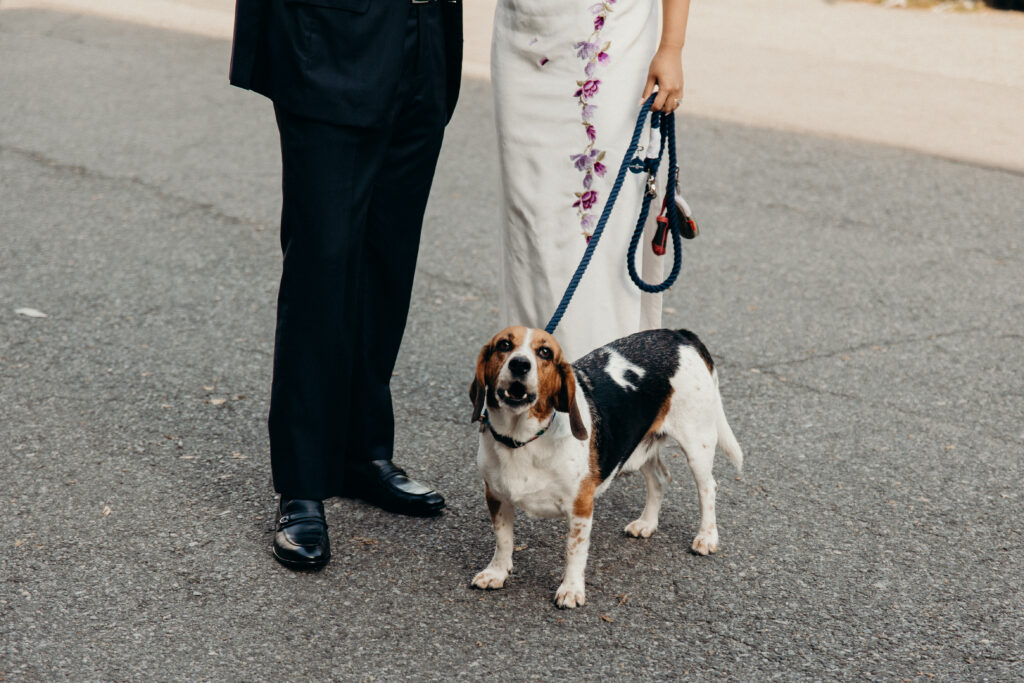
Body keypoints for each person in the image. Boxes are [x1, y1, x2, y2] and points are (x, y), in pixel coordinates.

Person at [229, 0, 463, 570]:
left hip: (427, 38)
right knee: (322, 271)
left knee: (387, 266)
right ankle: (303, 485)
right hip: (331, 41)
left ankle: (364, 454)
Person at [492, 0, 690, 361]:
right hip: (521, 30)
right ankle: (532, 378)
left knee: (598, 220)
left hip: (609, 36)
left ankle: (601, 377)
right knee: (527, 213)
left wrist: (671, 46)